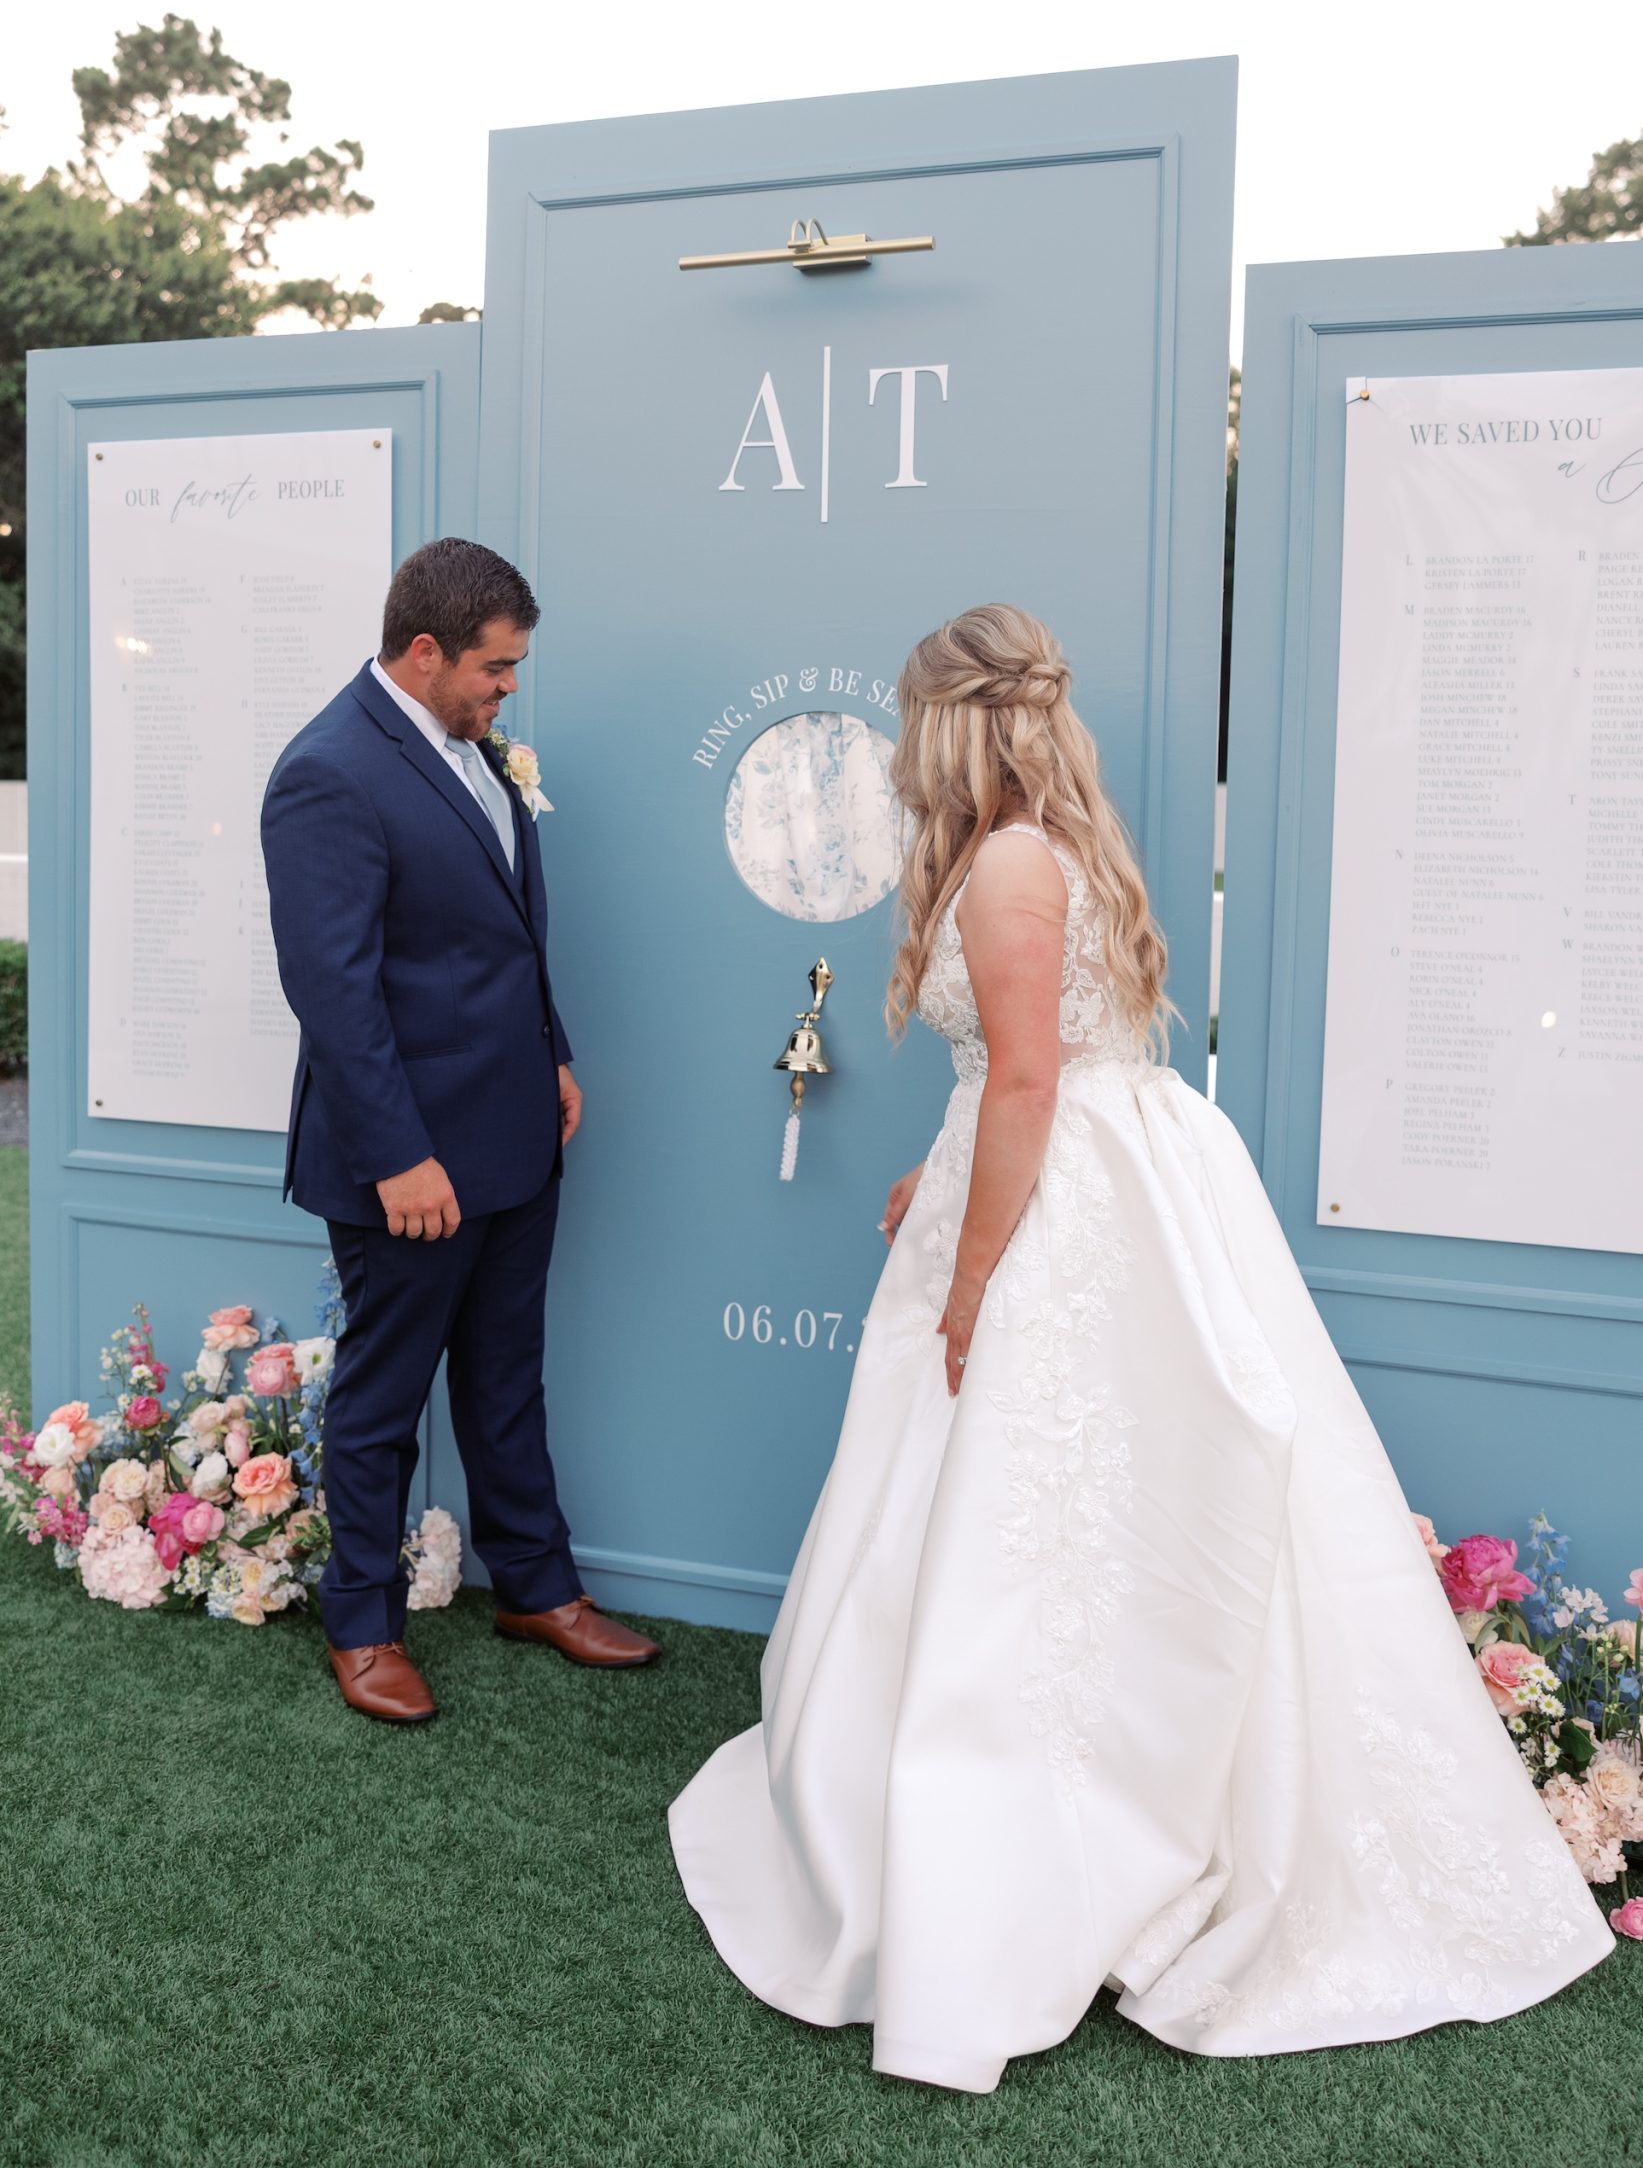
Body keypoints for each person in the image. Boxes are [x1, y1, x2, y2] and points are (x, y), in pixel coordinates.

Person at [668, 602, 1610, 2090]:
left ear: (950, 723)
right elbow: (1034, 1068)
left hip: (1068, 1207)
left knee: (1033, 1510)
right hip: (1110, 1172)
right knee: (1082, 1513)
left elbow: (1029, 1080)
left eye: (913, 724)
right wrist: (939, 1165)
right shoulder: (1045, 844)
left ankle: (1044, 1832)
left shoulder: (1005, 862)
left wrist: (971, 1276)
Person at [260, 537, 658, 1723]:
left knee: (506, 1377)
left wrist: (552, 1053)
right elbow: (332, 990)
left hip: (516, 1132)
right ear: (425, 651)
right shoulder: (327, 771)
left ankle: (536, 1587)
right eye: (496, 666)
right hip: (410, 1161)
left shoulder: (477, 748)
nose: (509, 687)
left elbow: (503, 932)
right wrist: (398, 1155)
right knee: (384, 1400)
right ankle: (362, 1623)